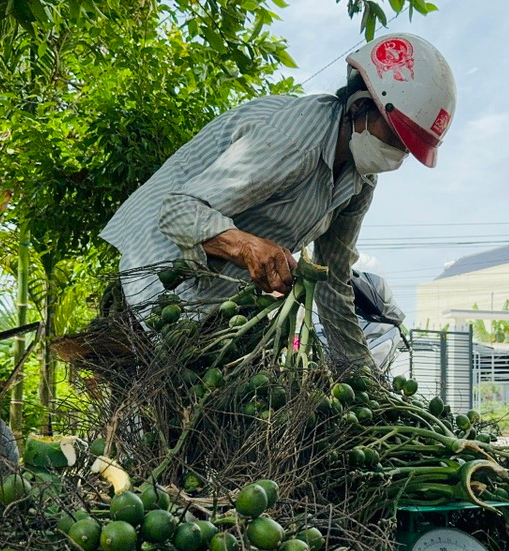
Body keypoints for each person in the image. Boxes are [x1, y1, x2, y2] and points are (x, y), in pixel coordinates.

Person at [99, 33, 455, 368]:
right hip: (156, 283)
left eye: (407, 148)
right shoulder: (295, 140)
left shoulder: (359, 182)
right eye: (394, 136)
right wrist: (246, 247)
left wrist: (360, 374)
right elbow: (179, 210)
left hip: (209, 307)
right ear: (361, 105)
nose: (397, 153)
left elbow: (333, 281)